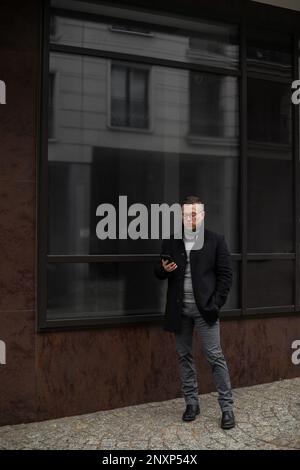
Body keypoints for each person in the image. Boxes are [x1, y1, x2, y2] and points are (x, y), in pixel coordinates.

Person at [154, 195, 235, 429]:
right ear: (181, 215)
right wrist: (163, 269)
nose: (191, 216)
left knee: (215, 357)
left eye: (195, 213)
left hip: (205, 311)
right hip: (179, 311)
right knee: (184, 356)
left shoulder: (215, 240)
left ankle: (227, 408)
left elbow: (226, 276)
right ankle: (192, 403)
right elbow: (158, 271)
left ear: (202, 215)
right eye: (187, 213)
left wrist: (215, 304)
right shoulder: (172, 241)